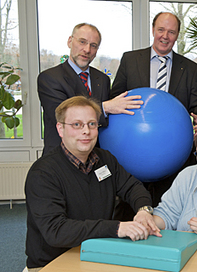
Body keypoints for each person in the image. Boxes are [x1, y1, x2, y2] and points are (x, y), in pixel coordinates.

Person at [24, 96, 160, 271]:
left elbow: (133, 187)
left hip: (96, 254)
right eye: (77, 125)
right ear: (60, 129)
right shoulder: (43, 173)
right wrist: (116, 228)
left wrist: (144, 210)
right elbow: (56, 231)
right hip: (52, 263)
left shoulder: (105, 160)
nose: (86, 131)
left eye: (92, 124)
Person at [110, 12, 197, 208]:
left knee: (169, 214)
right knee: (129, 212)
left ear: (178, 35)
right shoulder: (130, 60)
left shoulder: (189, 68)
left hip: (173, 157)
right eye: (161, 30)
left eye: (172, 32)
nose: (165, 36)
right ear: (153, 30)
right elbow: (115, 99)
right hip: (132, 152)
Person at [38, 23, 142, 155]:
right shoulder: (50, 78)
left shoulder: (102, 79)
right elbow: (62, 117)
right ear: (70, 41)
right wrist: (106, 107)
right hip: (61, 159)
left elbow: (106, 122)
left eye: (93, 45)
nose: (87, 50)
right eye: (82, 42)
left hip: (94, 157)